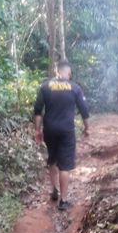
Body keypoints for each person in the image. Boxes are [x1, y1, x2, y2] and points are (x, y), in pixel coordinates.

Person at [34, 61, 90, 211]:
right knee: (64, 166)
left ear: (57, 72)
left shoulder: (45, 87)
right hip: (67, 130)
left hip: (50, 129)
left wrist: (37, 130)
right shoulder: (75, 88)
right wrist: (87, 128)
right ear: (69, 73)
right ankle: (63, 201)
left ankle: (54, 190)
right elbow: (84, 111)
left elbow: (38, 111)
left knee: (52, 160)